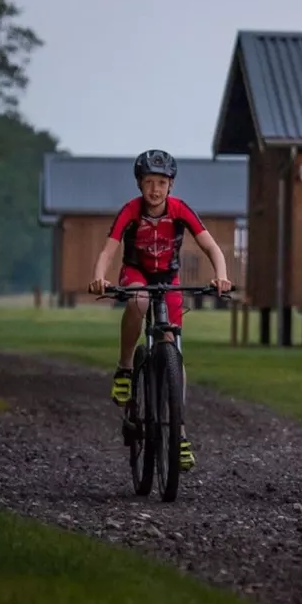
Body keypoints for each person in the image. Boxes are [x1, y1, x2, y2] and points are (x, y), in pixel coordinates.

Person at [87, 149, 233, 472]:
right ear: (139, 184)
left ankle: (179, 433)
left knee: (173, 349)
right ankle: (125, 367)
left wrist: (221, 275)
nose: (155, 189)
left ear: (171, 185)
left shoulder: (180, 210)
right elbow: (108, 249)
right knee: (138, 300)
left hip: (169, 279)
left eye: (162, 182)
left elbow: (211, 246)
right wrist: (99, 277)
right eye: (149, 182)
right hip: (136, 274)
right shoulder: (131, 211)